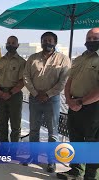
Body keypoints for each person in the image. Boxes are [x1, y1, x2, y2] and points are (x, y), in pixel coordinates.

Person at [23, 31, 71, 172]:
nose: (47, 43)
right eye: (44, 40)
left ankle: (51, 161)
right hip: (35, 98)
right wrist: (36, 93)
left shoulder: (63, 59)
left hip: (53, 100)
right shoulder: (33, 58)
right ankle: (33, 156)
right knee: (33, 129)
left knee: (53, 132)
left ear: (55, 42)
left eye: (50, 40)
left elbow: (64, 81)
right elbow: (26, 76)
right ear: (41, 42)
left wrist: (48, 94)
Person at [57, 28, 99, 180]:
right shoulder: (80, 58)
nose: (91, 41)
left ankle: (91, 175)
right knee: (75, 138)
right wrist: (69, 100)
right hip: (74, 104)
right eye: (89, 38)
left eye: (96, 38)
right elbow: (69, 81)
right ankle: (76, 171)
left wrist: (81, 102)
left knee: (93, 142)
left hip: (93, 107)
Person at [0, 36, 26, 142]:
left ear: (17, 45)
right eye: (9, 43)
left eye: (13, 43)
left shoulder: (21, 62)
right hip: (0, 94)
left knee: (15, 124)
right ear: (6, 44)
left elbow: (22, 82)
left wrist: (10, 93)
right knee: (1, 123)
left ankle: (14, 149)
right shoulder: (0, 61)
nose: (10, 45)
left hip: (14, 95)